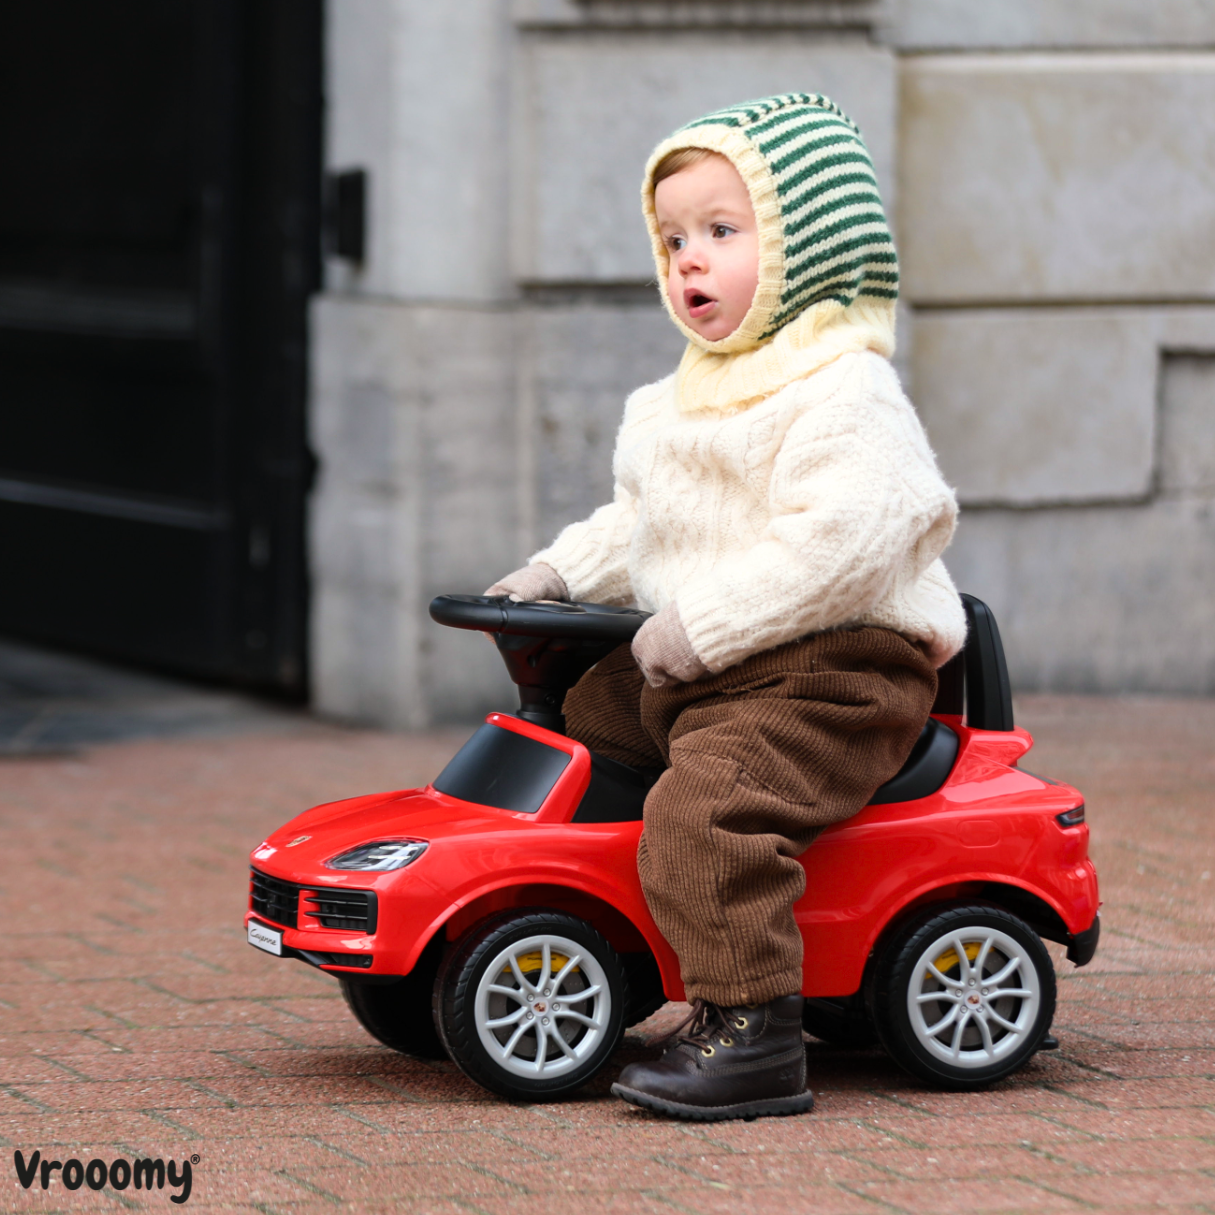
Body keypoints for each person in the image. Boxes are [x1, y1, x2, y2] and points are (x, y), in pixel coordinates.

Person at [486, 93, 966, 1122]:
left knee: (705, 808)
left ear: (807, 247)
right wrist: (555, 577)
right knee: (580, 720)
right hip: (708, 665)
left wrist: (708, 627)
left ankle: (751, 1029)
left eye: (720, 232)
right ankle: (580, 922)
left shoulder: (842, 390)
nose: (686, 261)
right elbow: (646, 526)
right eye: (670, 239)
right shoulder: (679, 399)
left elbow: (844, 543)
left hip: (837, 667)